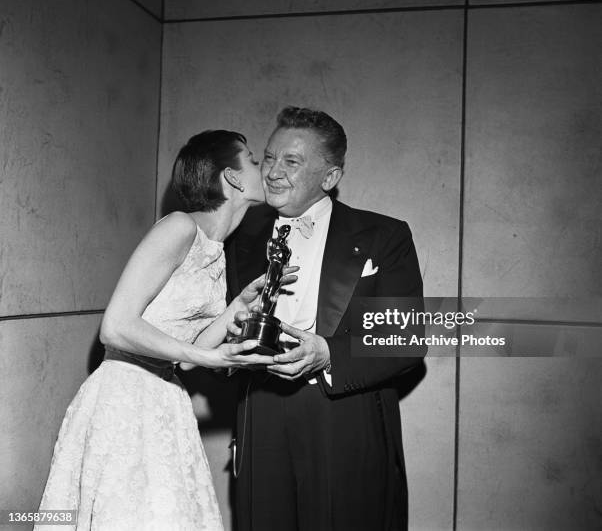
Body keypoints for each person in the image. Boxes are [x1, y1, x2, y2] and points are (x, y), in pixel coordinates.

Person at [35, 130, 296, 531]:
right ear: (233, 177)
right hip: (123, 397)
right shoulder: (178, 227)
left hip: (166, 399)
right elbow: (116, 327)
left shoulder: (215, 248)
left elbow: (184, 359)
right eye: (254, 160)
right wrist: (208, 356)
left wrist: (236, 309)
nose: (264, 167)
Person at [225, 107, 427, 531]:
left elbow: (404, 339)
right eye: (270, 158)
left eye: (292, 162)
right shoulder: (240, 234)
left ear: (330, 177)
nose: (273, 172)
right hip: (259, 409)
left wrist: (327, 353)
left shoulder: (383, 235)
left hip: (343, 411)